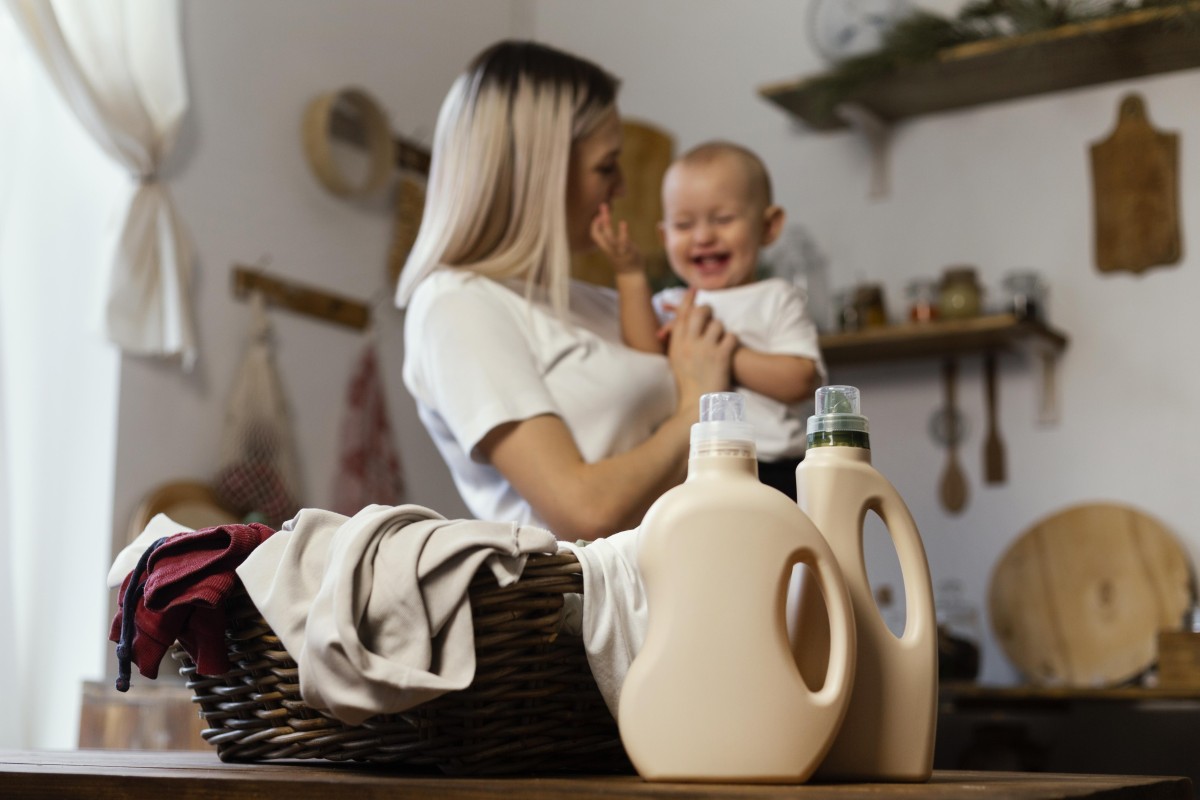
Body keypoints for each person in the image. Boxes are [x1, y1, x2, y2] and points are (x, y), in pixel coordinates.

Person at [396, 40, 737, 541]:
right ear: (540, 171)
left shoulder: (596, 303)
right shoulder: (456, 305)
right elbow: (584, 509)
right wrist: (700, 409)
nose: (621, 187)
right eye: (606, 166)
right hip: (592, 612)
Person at [591, 141, 826, 499]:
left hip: (772, 469)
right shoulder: (674, 303)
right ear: (664, 236)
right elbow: (646, 353)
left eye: (723, 219)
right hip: (692, 471)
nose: (703, 237)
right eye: (684, 224)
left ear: (768, 226)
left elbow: (801, 380)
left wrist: (724, 353)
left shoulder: (776, 297)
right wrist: (630, 275)